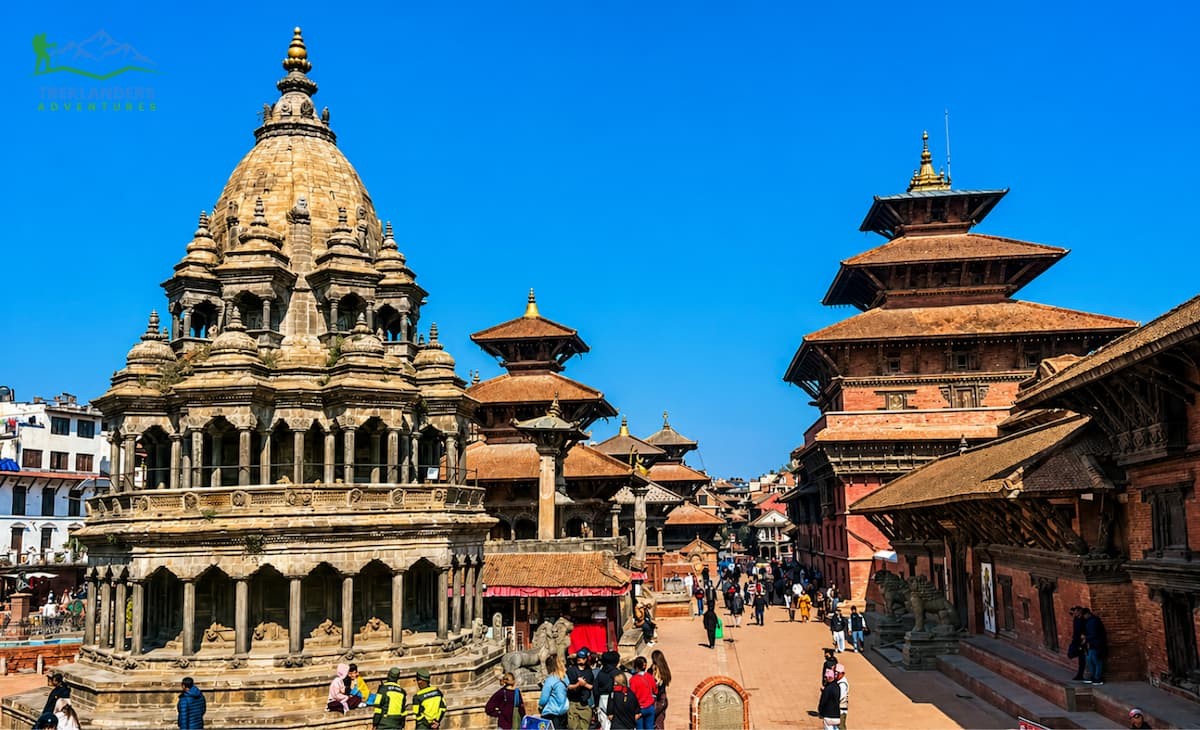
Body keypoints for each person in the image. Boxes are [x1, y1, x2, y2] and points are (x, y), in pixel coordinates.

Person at [565, 648, 595, 730]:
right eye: (578, 657)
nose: (579, 659)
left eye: (582, 658)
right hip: (573, 703)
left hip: (585, 704)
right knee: (573, 727)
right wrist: (577, 684)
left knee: (585, 727)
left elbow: (592, 686)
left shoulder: (589, 672)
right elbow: (567, 686)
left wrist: (584, 684)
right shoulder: (571, 670)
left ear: (586, 659)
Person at [538, 655, 569, 729]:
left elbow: (544, 699)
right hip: (563, 712)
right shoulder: (565, 677)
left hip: (551, 712)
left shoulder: (550, 680)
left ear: (549, 667)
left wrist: (540, 705)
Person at [628, 656, 658, 730]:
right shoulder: (650, 677)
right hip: (649, 707)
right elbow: (655, 691)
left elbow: (632, 695)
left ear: (636, 667)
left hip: (639, 709)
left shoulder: (633, 680)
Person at [1081, 608, 1107, 685]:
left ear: (1087, 614)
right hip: (1092, 644)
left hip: (1096, 644)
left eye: (1084, 615)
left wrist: (1085, 637)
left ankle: (1097, 678)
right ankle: (1094, 677)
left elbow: (1094, 634)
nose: (1083, 617)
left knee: (1096, 661)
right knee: (1091, 660)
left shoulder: (1094, 621)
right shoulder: (1090, 621)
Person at [593, 651, 619, 730]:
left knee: (604, 725)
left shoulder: (600, 673)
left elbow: (595, 690)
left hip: (602, 700)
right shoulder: (617, 673)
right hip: (616, 700)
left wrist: (596, 704)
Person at [650, 649, 671, 730]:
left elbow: (654, 684)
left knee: (654, 723)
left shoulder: (654, 670)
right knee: (659, 722)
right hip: (663, 699)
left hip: (656, 700)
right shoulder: (664, 669)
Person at [1068, 606, 1088, 681]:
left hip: (1082, 641)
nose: (1075, 613)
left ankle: (1080, 674)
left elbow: (1085, 629)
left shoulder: (1083, 619)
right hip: (1076, 640)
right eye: (1075, 612)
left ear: (1080, 611)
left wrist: (1084, 638)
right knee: (1071, 653)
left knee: (1082, 658)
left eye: (1077, 612)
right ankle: (1080, 674)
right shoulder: (1076, 619)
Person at [835, 663, 849, 730]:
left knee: (841, 727)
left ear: (842, 673)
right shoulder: (839, 681)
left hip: (841, 710)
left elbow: (840, 696)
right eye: (835, 672)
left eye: (838, 673)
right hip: (838, 709)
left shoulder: (842, 684)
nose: (836, 674)